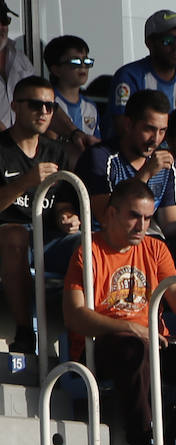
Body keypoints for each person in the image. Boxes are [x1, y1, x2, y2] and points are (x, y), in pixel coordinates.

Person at [62, 177, 176, 445]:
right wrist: (128, 326)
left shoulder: (156, 249)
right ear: (112, 213)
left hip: (150, 342)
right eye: (134, 217)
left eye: (149, 218)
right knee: (134, 347)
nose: (142, 226)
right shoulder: (87, 250)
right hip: (102, 346)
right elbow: (74, 316)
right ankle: (142, 442)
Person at [0, 74, 75, 350]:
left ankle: (87, 334)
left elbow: (63, 201)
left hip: (50, 236)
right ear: (14, 106)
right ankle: (23, 333)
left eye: (50, 106)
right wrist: (25, 182)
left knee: (89, 242)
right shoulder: (1, 149)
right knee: (15, 235)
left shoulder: (58, 152)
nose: (44, 112)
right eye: (35, 104)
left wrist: (66, 217)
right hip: (9, 235)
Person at [76, 88, 176, 227]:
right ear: (128, 124)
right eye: (149, 129)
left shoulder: (166, 162)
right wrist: (146, 174)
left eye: (162, 131)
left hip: (144, 240)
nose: (156, 139)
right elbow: (108, 219)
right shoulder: (100, 157)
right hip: (99, 239)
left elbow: (170, 224)